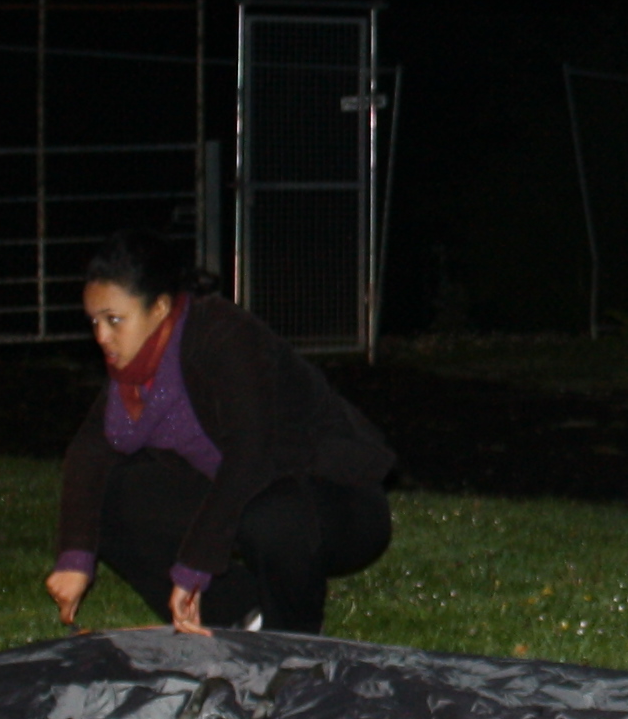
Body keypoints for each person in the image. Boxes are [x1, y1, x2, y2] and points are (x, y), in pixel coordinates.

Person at [47, 229, 396, 637]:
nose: (101, 336)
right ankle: (241, 617)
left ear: (159, 308)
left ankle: (293, 639)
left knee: (270, 516)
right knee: (113, 497)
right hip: (247, 500)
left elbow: (251, 455)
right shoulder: (134, 373)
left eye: (114, 320)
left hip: (336, 503)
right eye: (95, 321)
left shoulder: (223, 335)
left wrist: (193, 567)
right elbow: (90, 453)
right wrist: (75, 557)